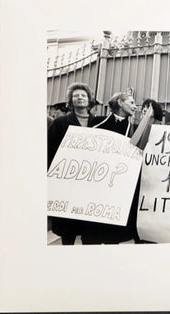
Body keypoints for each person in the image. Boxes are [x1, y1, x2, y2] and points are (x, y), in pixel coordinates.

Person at [81, 91, 138, 245]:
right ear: (120, 102)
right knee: (91, 239)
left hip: (117, 190)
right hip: (96, 187)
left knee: (112, 239)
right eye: (132, 102)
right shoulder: (96, 123)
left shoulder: (134, 129)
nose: (135, 106)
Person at [47, 82, 97, 245]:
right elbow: (49, 151)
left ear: (89, 99)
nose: (79, 98)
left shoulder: (98, 123)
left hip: (91, 183)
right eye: (76, 95)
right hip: (67, 183)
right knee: (68, 231)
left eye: (83, 95)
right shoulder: (59, 123)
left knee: (89, 231)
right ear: (70, 100)